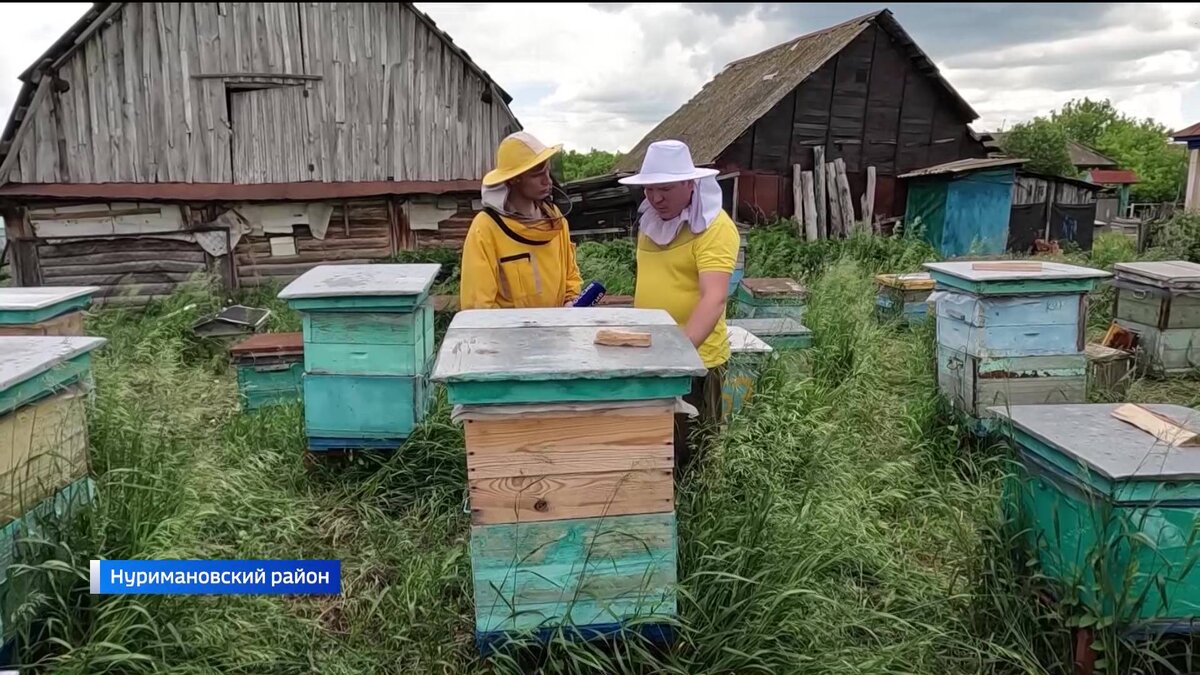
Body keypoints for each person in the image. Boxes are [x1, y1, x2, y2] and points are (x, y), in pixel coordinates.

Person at [618, 139, 740, 473]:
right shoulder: (650, 221)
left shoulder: (714, 228)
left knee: (694, 452)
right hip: (650, 355)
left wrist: (679, 356)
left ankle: (698, 520)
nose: (656, 198)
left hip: (696, 361)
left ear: (690, 183)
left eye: (666, 189)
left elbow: (713, 297)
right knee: (655, 450)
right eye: (649, 190)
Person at [459, 132, 583, 310]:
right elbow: (477, 304)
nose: (547, 180)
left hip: (557, 330)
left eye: (547, 171)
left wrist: (570, 299)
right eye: (537, 174)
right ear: (514, 178)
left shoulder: (554, 217)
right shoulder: (485, 228)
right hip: (508, 335)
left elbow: (570, 273)